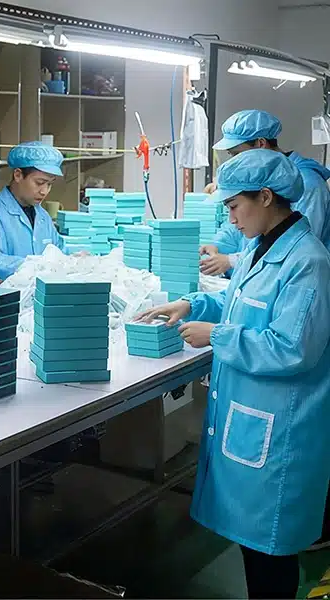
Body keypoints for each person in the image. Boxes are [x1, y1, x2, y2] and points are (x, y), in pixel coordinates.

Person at [136, 149, 330, 599]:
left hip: (280, 431)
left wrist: (218, 337)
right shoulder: (261, 247)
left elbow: (292, 348)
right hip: (251, 422)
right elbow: (242, 302)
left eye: (232, 205)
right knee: (255, 550)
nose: (229, 215)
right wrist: (193, 304)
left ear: (265, 197)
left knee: (271, 556)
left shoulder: (309, 262)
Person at [199, 109, 330, 277]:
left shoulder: (308, 184)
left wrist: (232, 261)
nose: (234, 162)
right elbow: (238, 223)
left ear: (261, 144)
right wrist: (218, 246)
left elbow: (294, 245)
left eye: (237, 153)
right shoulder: (256, 179)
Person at [0, 141, 65, 280]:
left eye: (49, 184)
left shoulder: (43, 217)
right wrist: (33, 266)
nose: (44, 191)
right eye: (39, 183)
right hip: (8, 297)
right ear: (18, 175)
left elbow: (59, 251)